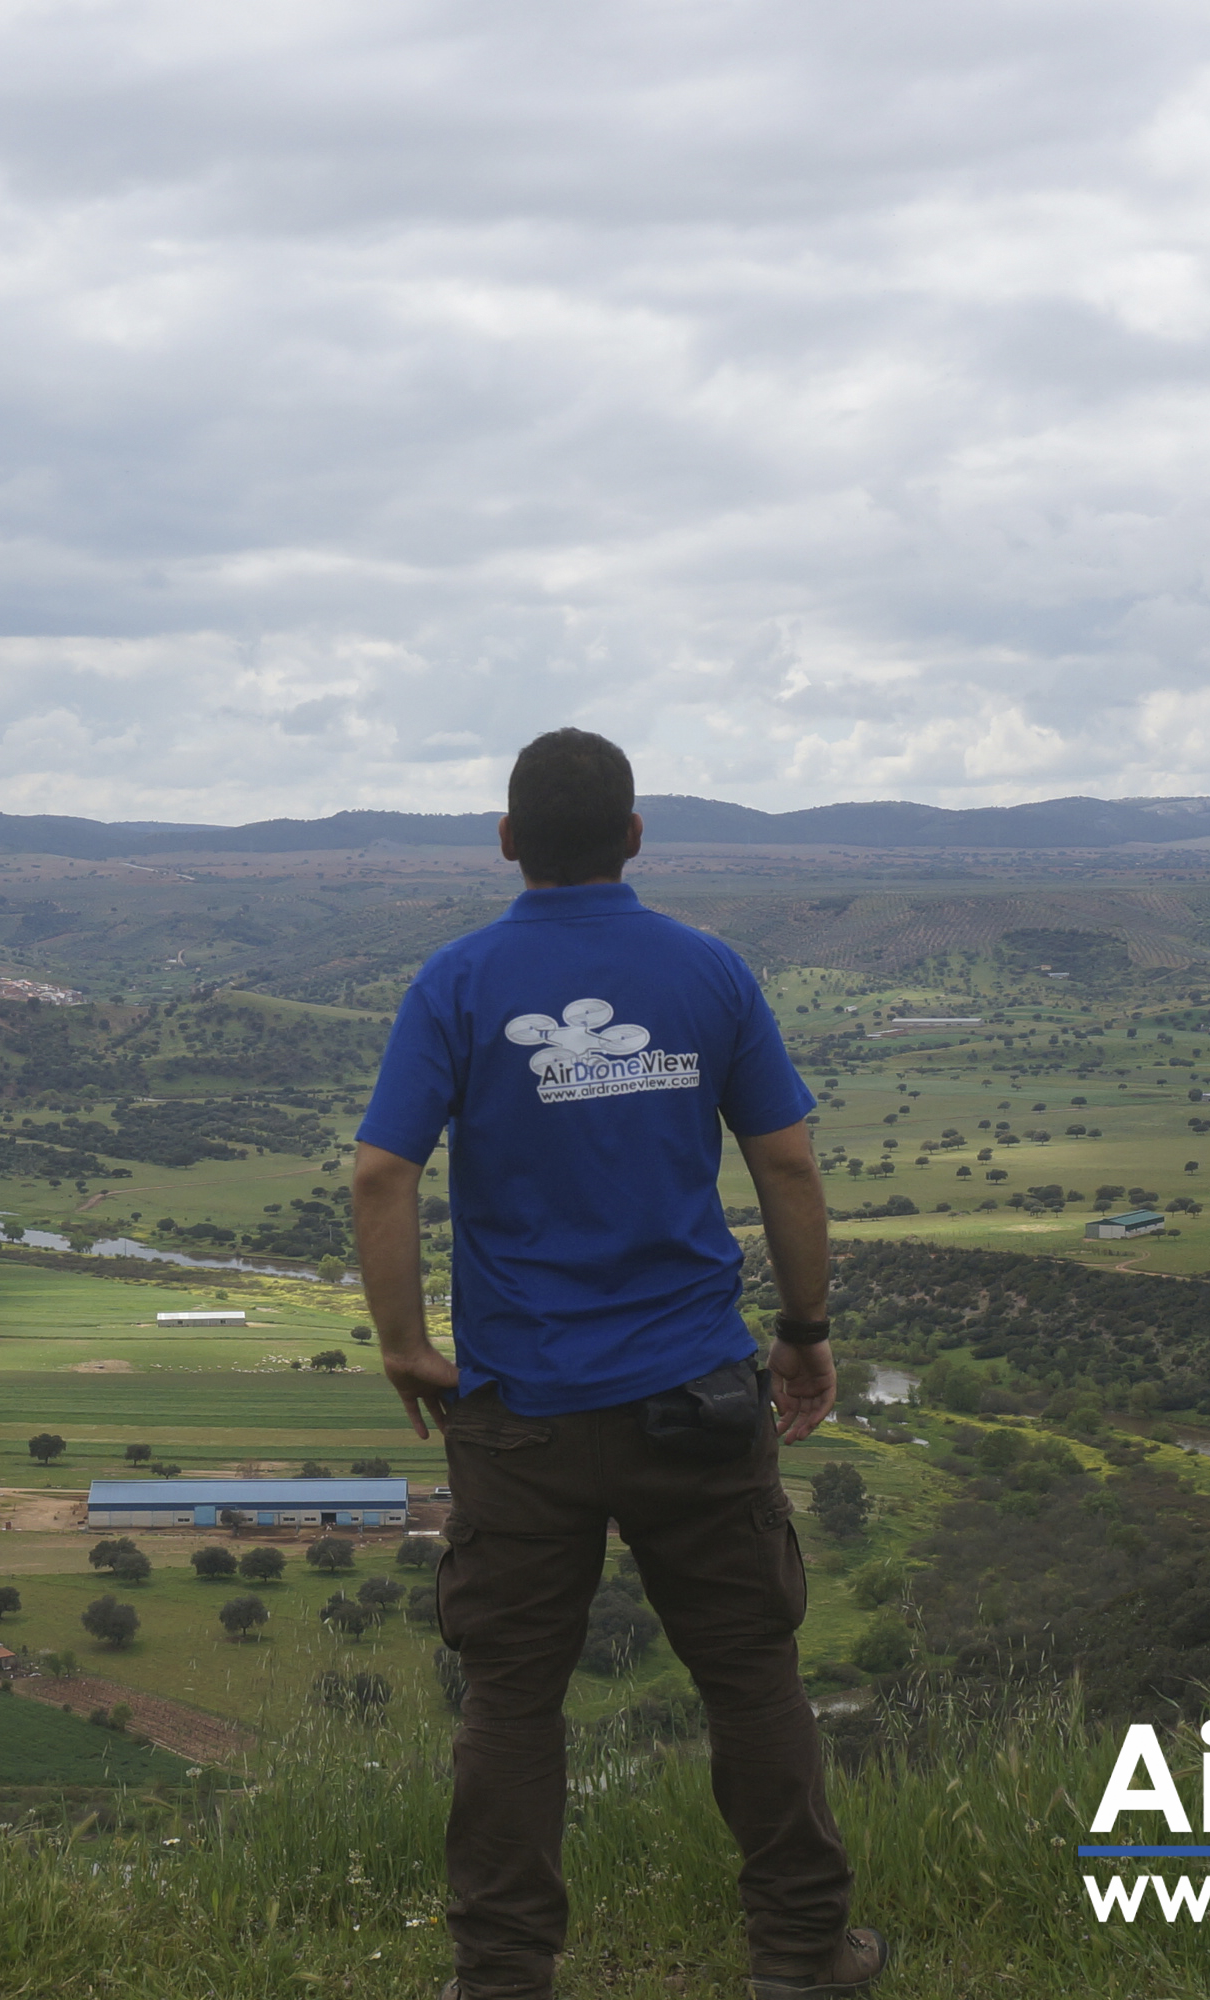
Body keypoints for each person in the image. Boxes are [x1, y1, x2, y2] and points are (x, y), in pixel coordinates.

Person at [350, 728, 888, 2000]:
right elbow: (789, 1165)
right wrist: (804, 1331)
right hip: (695, 1398)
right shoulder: (705, 971)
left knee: (512, 1700)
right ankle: (804, 1954)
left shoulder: (459, 979)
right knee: (751, 1675)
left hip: (519, 1410)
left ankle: (500, 1975)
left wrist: (405, 1344)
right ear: (636, 837)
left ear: (506, 840)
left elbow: (382, 1171)